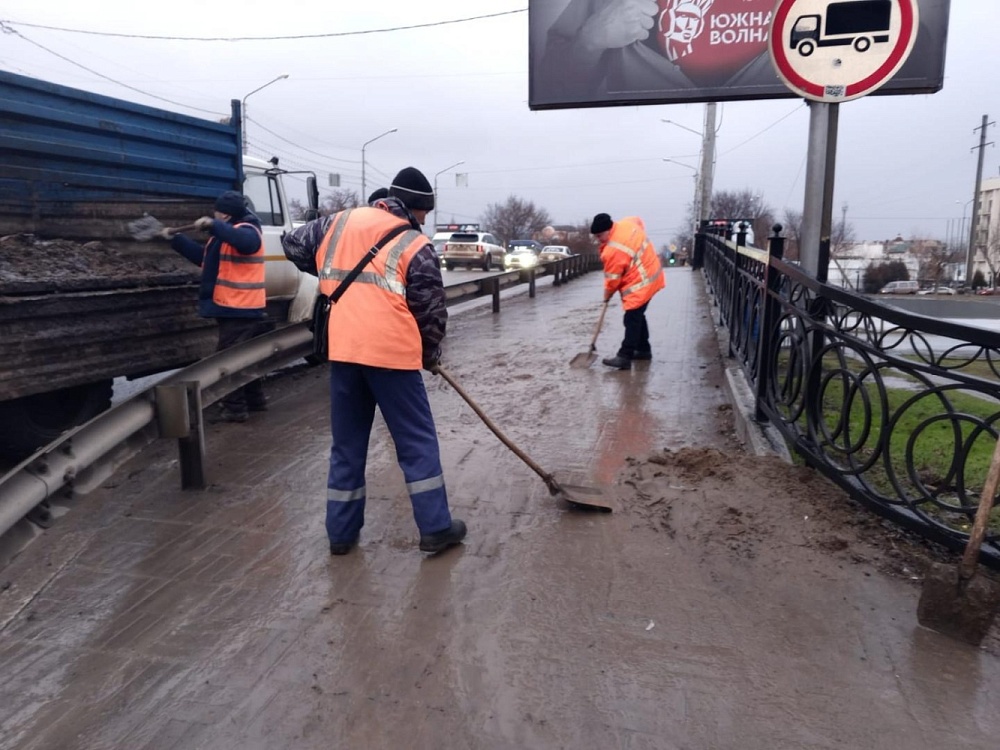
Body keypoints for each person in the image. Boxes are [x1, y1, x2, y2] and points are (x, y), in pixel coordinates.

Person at [281, 167, 467, 556]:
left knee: (346, 445)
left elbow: (291, 244)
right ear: (415, 208)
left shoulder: (337, 222)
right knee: (416, 443)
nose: (425, 220)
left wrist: (329, 274)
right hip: (392, 356)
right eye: (425, 213)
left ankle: (341, 535)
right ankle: (435, 527)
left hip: (344, 351)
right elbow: (431, 311)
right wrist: (429, 354)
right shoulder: (415, 244)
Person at [161, 190, 269, 422]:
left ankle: (234, 409)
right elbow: (203, 258)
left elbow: (246, 244)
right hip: (233, 307)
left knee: (227, 360)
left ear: (227, 215)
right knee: (244, 357)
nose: (215, 214)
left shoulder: (249, 231)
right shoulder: (224, 236)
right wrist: (176, 240)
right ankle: (255, 400)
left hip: (241, 308)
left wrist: (213, 226)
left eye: (217, 212)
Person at [590, 212, 664, 370]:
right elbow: (639, 220)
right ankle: (643, 350)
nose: (598, 239)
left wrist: (607, 295)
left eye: (599, 235)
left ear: (609, 230)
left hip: (641, 282)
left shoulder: (613, 250)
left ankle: (625, 356)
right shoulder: (627, 224)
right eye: (595, 236)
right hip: (651, 271)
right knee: (638, 315)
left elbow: (612, 280)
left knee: (631, 318)